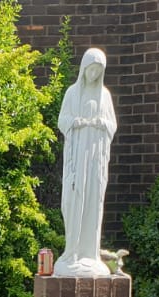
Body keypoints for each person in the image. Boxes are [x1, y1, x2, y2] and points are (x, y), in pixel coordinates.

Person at [55, 47, 118, 277]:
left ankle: (90, 254)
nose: (93, 74)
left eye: (97, 71)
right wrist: (77, 122)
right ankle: (72, 252)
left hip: (96, 160)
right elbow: (62, 120)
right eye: (90, 69)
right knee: (74, 200)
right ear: (84, 69)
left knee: (93, 200)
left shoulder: (105, 96)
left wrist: (103, 124)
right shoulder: (73, 93)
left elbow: (112, 124)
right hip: (77, 158)